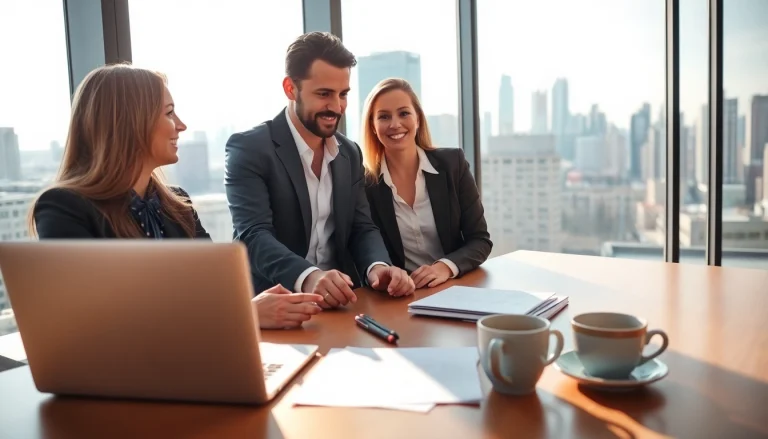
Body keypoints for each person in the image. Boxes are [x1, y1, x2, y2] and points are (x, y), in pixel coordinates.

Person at [29, 64, 322, 329]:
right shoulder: (64, 207)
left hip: (192, 359)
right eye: (169, 113)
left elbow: (219, 290)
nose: (181, 125)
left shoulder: (177, 205)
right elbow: (97, 320)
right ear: (130, 122)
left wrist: (254, 305)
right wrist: (244, 314)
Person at [225, 32, 415, 309]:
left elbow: (361, 227)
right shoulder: (250, 148)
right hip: (275, 305)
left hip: (342, 304)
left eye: (343, 94)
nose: (336, 107)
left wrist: (377, 267)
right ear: (291, 89)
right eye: (324, 94)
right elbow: (253, 235)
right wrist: (310, 277)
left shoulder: (349, 152)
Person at [361, 78, 492, 288]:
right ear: (373, 127)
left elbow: (480, 240)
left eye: (404, 113)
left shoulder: (453, 164)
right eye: (384, 116)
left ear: (418, 119)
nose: (395, 124)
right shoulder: (365, 184)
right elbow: (365, 245)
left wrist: (445, 267)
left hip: (455, 285)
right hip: (403, 296)